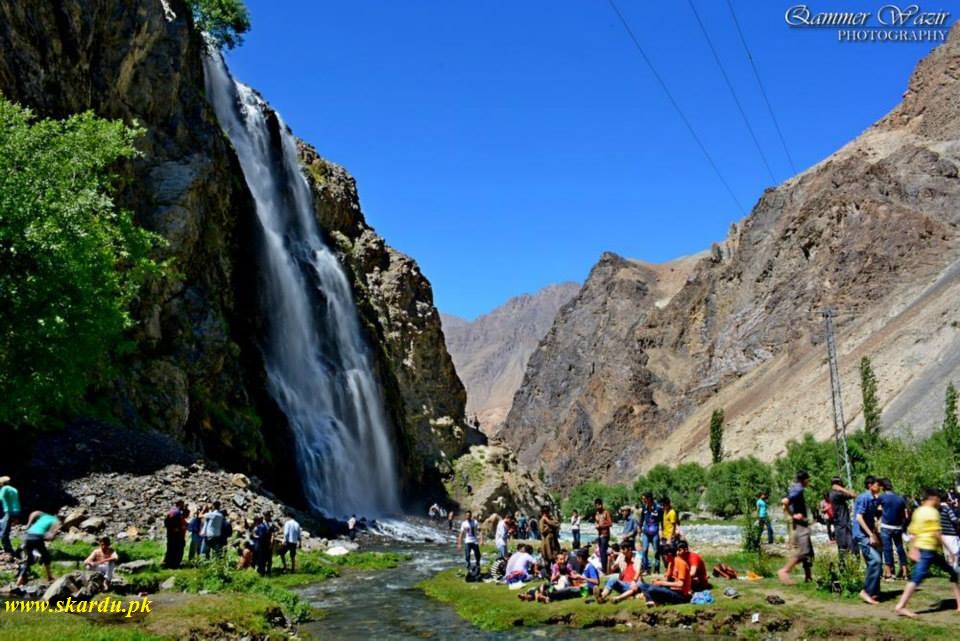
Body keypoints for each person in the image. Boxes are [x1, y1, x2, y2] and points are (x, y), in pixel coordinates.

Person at [894, 488, 960, 619]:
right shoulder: (933, 512)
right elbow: (937, 533)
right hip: (927, 550)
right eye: (938, 499)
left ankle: (959, 604)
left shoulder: (918, 512)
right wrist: (950, 550)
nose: (939, 502)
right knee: (917, 578)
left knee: (952, 572)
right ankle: (901, 606)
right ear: (933, 498)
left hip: (926, 549)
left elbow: (913, 532)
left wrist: (912, 548)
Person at [778, 470, 814, 585]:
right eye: (808, 479)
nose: (809, 481)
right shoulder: (798, 489)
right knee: (804, 551)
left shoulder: (795, 487)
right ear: (804, 480)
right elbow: (785, 501)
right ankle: (784, 571)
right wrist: (793, 515)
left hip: (801, 524)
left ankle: (808, 577)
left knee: (809, 552)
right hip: (799, 525)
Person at [852, 475, 883, 605]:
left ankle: (874, 592)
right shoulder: (864, 497)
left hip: (869, 533)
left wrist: (875, 532)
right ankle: (866, 592)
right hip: (861, 535)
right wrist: (870, 534)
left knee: (876, 560)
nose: (879, 487)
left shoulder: (873, 499)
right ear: (870, 485)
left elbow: (873, 517)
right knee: (875, 561)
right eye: (877, 485)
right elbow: (859, 517)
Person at [639, 541, 693, 605]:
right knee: (643, 586)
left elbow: (680, 584)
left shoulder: (681, 563)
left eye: (664, 555)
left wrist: (662, 583)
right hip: (671, 590)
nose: (663, 557)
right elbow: (667, 579)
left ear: (669, 554)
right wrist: (657, 582)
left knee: (652, 589)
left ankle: (653, 600)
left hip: (681, 594)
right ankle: (652, 600)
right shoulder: (670, 563)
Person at [15, 511, 60, 586]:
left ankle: (20, 579)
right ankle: (49, 577)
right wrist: (50, 536)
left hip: (28, 535)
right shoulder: (56, 521)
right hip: (37, 537)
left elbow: (34, 513)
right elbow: (50, 537)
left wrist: (28, 524)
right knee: (46, 557)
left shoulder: (44, 515)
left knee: (29, 559)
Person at [877, 478, 909, 580]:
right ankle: (905, 572)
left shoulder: (882, 498)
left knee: (887, 549)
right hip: (898, 527)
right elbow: (906, 515)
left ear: (882, 487)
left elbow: (875, 508)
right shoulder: (900, 499)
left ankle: (889, 574)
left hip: (886, 526)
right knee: (900, 548)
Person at [829, 477, 857, 555]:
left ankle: (845, 565)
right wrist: (842, 489)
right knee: (847, 547)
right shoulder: (837, 494)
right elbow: (853, 495)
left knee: (843, 548)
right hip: (843, 524)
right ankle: (846, 565)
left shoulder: (832, 493)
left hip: (840, 523)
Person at [639, 492, 663, 573]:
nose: (643, 500)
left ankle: (656, 569)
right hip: (646, 532)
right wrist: (639, 529)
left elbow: (662, 520)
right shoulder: (644, 507)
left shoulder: (658, 508)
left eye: (644, 499)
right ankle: (646, 568)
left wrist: (662, 531)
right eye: (642, 499)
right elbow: (641, 519)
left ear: (649, 498)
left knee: (656, 551)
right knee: (644, 550)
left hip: (655, 533)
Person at [0, 476, 22, 557]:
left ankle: (8, 550)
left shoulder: (4, 489)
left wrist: (5, 510)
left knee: (4, 533)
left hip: (9, 512)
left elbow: (1, 498)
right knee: (3, 529)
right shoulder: (13, 489)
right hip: (16, 511)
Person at [163, 500, 187, 569]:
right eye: (183, 504)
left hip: (170, 534)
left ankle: (167, 563)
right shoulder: (177, 512)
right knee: (177, 549)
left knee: (170, 548)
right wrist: (178, 528)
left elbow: (166, 522)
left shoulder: (171, 511)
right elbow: (177, 524)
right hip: (177, 535)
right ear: (180, 504)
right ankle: (175, 565)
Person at [939, 491, 960, 570]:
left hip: (943, 533)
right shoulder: (947, 508)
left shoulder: (938, 508)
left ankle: (950, 569)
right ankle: (955, 570)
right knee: (955, 552)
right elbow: (954, 519)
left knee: (947, 554)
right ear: (947, 498)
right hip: (951, 533)